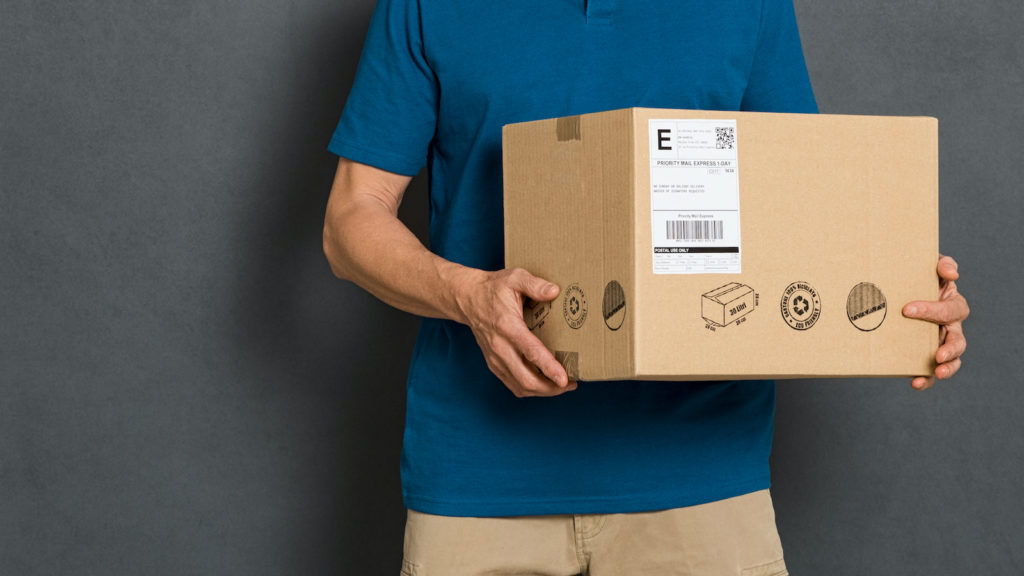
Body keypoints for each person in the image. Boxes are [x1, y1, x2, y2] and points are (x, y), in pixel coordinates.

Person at [321, 1, 970, 574]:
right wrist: (468, 295)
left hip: (701, 480)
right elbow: (352, 218)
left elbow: (799, 199)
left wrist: (900, 297)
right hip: (480, 478)